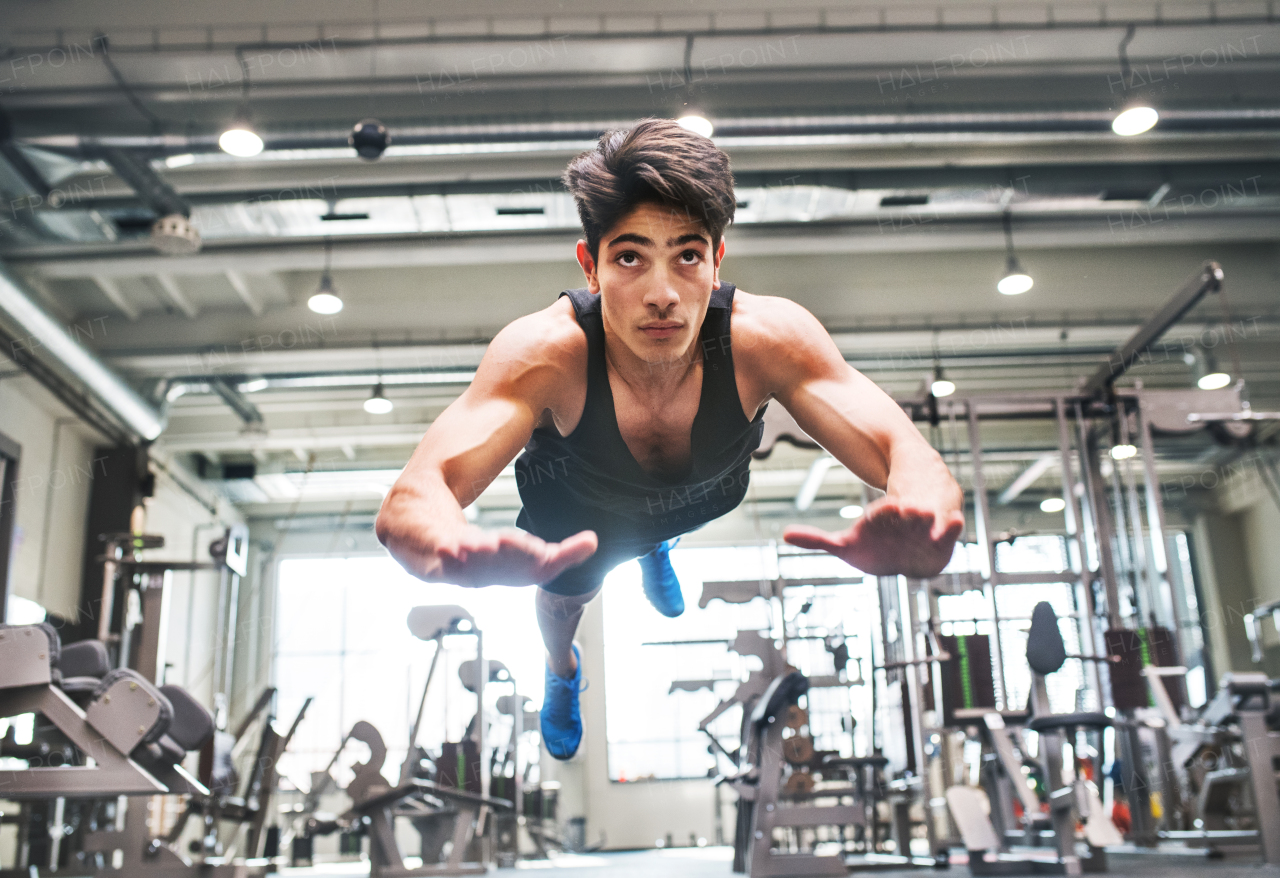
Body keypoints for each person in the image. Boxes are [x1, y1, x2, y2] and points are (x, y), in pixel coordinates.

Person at [377, 118, 963, 760]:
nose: (662, 295)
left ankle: (656, 542)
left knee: (651, 527)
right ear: (591, 266)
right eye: (630, 257)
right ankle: (563, 671)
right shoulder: (545, 353)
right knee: (558, 609)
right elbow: (416, 494)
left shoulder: (767, 337)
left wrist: (932, 516)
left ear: (715, 261)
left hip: (704, 494)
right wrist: (439, 541)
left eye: (686, 255)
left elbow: (902, 449)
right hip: (581, 520)